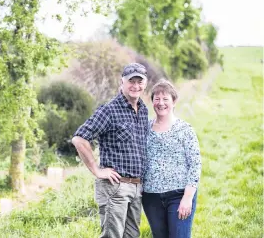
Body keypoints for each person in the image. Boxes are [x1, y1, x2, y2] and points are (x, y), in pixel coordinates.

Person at [72, 63, 149, 238]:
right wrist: (97, 170)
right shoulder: (109, 110)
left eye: (140, 81)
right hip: (116, 187)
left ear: (145, 84)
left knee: (132, 235)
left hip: (137, 187)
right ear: (121, 82)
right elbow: (79, 139)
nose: (135, 86)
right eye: (131, 81)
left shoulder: (143, 110)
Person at [142, 79, 202, 238]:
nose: (161, 103)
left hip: (179, 195)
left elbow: (195, 164)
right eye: (157, 99)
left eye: (165, 99)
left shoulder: (185, 130)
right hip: (151, 197)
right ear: (152, 101)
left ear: (174, 101)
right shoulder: (144, 128)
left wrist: (188, 198)